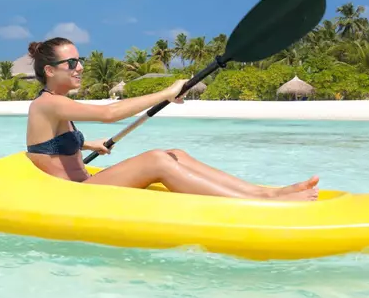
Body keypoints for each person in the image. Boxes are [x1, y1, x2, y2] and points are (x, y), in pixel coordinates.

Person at [24, 37, 320, 201]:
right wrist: (166, 93)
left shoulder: (56, 105)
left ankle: (266, 192)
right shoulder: (49, 104)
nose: (80, 67)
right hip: (73, 196)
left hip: (86, 183)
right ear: (50, 70)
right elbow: (108, 113)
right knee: (156, 159)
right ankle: (259, 204)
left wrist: (88, 144)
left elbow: (48, 146)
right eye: (72, 63)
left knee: (175, 154)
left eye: (81, 60)